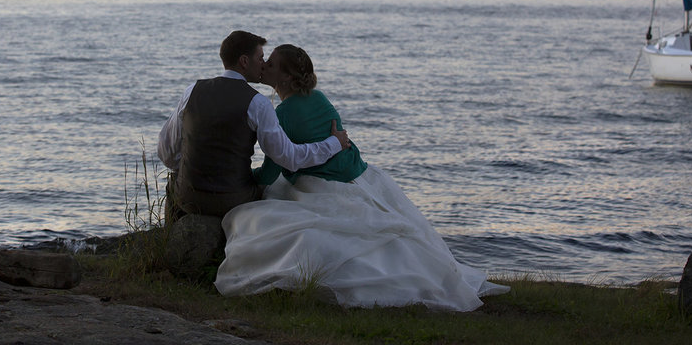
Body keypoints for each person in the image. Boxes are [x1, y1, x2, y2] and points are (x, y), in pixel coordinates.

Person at [214, 44, 509, 311]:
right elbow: (338, 141)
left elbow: (270, 171)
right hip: (360, 176)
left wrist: (239, 176)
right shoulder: (318, 97)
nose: (264, 66)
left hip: (321, 184)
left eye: (273, 65)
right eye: (265, 61)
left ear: (287, 79)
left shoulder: (284, 115)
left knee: (257, 216)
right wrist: (335, 146)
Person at [157, 31, 350, 217]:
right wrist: (333, 143)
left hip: (188, 198)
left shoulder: (192, 91)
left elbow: (166, 151)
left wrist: (192, 171)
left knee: (174, 180)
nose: (263, 65)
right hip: (234, 200)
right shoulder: (258, 103)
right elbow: (289, 158)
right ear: (244, 61)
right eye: (260, 58)